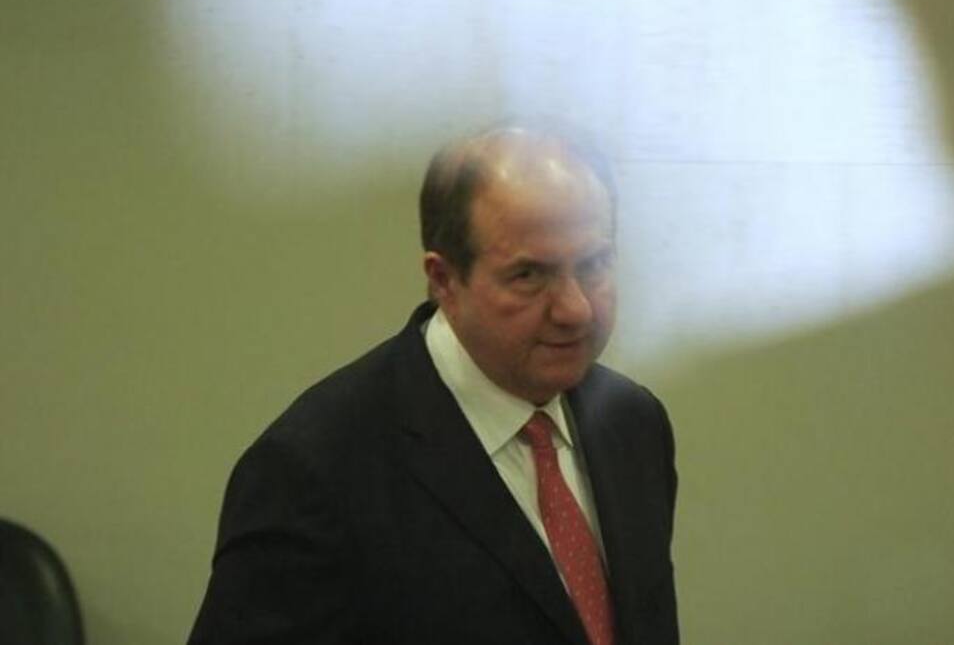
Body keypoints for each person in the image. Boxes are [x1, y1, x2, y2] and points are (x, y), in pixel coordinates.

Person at [188, 125, 679, 645]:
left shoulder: (634, 423)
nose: (575, 309)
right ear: (444, 280)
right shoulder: (314, 472)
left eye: (594, 265)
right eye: (529, 276)